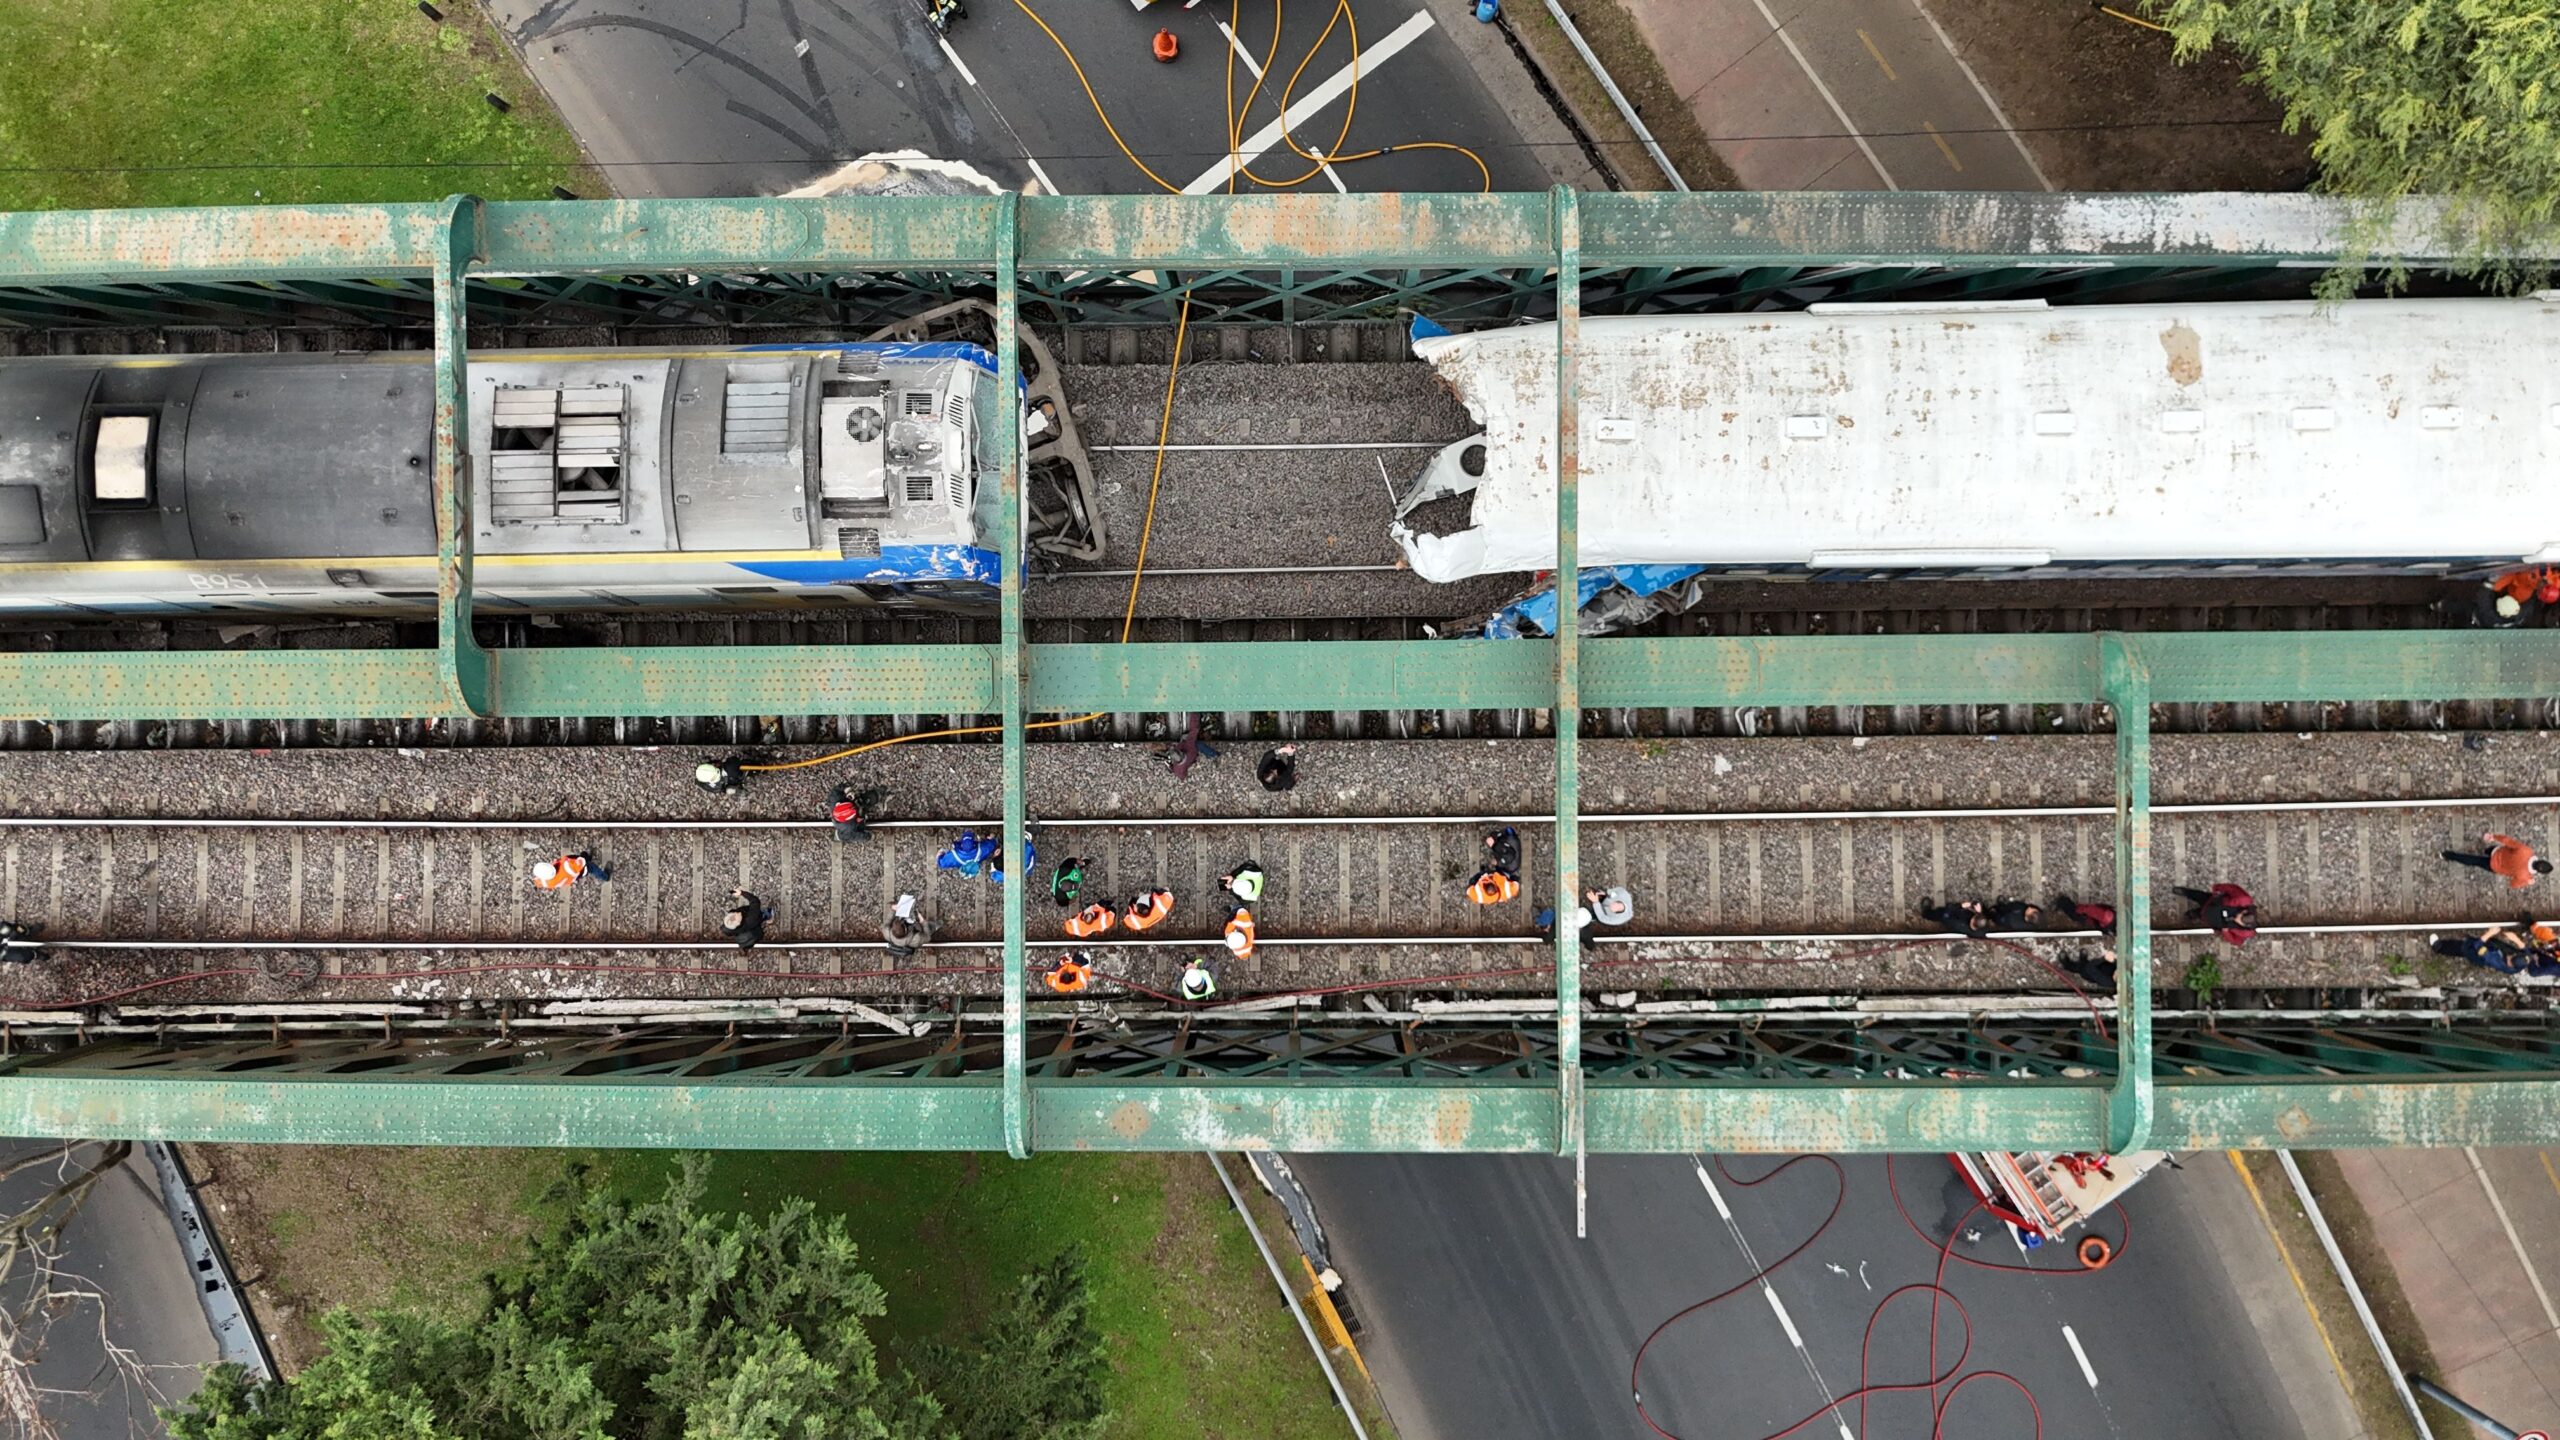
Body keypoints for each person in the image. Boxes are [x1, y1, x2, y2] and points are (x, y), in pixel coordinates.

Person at [2442, 832, 2553, 890]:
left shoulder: (2526, 851)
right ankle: (2449, 856)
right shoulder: (2524, 876)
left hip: (2496, 852)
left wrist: (2493, 836)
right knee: (2473, 861)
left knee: (2486, 851)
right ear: (2538, 872)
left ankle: (2485, 850)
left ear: (2540, 859)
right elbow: (2513, 884)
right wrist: (2527, 882)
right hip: (2494, 866)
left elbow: (2507, 841)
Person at [2174, 882, 2258, 945]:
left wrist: (2226, 932)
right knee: (2198, 896)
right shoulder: (2243, 899)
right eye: (2239, 916)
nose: (2236, 919)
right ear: (2244, 911)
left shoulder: (2246, 932)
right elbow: (2231, 888)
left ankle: (2194, 914)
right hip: (2212, 902)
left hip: (2212, 918)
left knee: (2200, 915)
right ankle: (2186, 892)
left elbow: (2237, 941)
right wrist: (2217, 889)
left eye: (2239, 921)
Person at [2433, 925, 2535, 973]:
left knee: (2463, 949)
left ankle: (2438, 947)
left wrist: (2490, 933)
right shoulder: (2524, 960)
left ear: (2510, 964)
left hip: (2479, 955)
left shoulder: (2495, 961)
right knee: (2467, 942)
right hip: (2492, 947)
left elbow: (2478, 946)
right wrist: (2515, 939)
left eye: (2510, 958)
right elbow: (2526, 951)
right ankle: (2465, 940)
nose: (2510, 955)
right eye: (2513, 954)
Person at [1162, 714, 1222, 781]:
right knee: (1199, 744)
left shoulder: (1178, 769)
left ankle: (1214, 756)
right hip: (1193, 752)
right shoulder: (1188, 745)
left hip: (1191, 758)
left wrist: (1170, 767)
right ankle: (1214, 755)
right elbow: (1194, 729)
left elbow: (1181, 776)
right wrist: (1194, 714)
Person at [721, 888, 772, 953]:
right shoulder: (751, 918)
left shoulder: (729, 926)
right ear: (739, 922)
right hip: (757, 918)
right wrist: (742, 893)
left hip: (751, 926)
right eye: (738, 915)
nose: (738, 912)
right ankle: (768, 916)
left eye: (734, 913)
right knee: (763, 914)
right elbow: (755, 901)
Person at [1918, 898, 1991, 939]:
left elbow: (1949, 912)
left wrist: (1960, 906)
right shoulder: (1981, 931)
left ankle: (1926, 913)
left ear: (1972, 921)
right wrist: (1979, 912)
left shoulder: (1959, 924)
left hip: (1950, 919)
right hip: (1959, 917)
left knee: (1943, 914)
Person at [534, 852, 610, 889]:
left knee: (583, 856)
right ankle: (605, 877)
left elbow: (539, 881)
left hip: (571, 877)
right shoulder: (567, 866)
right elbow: (581, 862)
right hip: (581, 870)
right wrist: (583, 858)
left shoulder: (546, 882)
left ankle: (587, 858)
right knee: (591, 867)